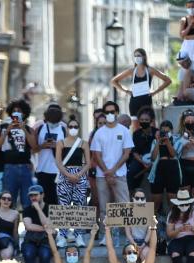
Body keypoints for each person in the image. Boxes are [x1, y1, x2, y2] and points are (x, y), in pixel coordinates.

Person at [91, 103, 134, 245]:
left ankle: (128, 236)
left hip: (120, 174)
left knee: (124, 206)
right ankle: (106, 236)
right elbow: (96, 155)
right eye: (107, 112)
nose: (110, 114)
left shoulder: (124, 131)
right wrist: (107, 172)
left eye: (112, 111)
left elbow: (126, 153)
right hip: (101, 175)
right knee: (104, 207)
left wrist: (113, 170)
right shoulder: (99, 132)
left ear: (117, 112)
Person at [54, 117, 91, 241]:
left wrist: (78, 175)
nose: (73, 129)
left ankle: (78, 235)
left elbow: (88, 163)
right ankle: (63, 235)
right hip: (64, 174)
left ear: (78, 129)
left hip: (80, 174)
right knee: (64, 206)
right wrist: (68, 175)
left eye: (76, 127)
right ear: (67, 128)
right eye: (71, 127)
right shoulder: (61, 143)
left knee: (80, 206)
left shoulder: (83, 143)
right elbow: (58, 162)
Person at [0, 99, 37, 208]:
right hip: (10, 168)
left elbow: (34, 146)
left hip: (25, 167)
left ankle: (27, 222)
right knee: (9, 199)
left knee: (27, 200)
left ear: (24, 113)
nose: (16, 113)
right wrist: (9, 128)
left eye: (19, 111)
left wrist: (23, 128)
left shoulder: (28, 129)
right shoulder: (4, 127)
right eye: (14, 111)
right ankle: (10, 224)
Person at [110, 49, 171, 119]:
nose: (137, 58)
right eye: (135, 56)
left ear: (144, 57)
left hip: (146, 101)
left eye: (139, 55)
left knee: (148, 124)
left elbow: (168, 80)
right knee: (135, 126)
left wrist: (155, 92)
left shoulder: (150, 70)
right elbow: (113, 81)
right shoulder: (132, 71)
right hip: (134, 102)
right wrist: (126, 91)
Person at [165, 190, 194, 263]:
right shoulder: (172, 213)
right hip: (177, 239)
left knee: (192, 253)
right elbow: (169, 233)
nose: (184, 206)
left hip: (193, 238)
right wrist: (179, 229)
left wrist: (192, 229)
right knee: (175, 253)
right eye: (181, 204)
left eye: (186, 204)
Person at [21, 185, 54, 263]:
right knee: (28, 252)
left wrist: (39, 209)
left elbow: (47, 224)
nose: (33, 198)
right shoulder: (26, 209)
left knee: (45, 254)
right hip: (31, 238)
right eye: (31, 196)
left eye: (35, 195)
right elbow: (28, 226)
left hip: (46, 239)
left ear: (42, 195)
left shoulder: (50, 208)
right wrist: (46, 228)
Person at [33, 103, 65, 207]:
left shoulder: (64, 129)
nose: (53, 124)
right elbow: (33, 149)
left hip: (58, 171)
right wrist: (42, 146)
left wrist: (57, 146)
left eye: (56, 121)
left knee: (57, 200)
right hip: (42, 170)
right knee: (43, 201)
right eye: (51, 121)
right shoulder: (40, 128)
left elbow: (69, 150)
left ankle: (55, 223)